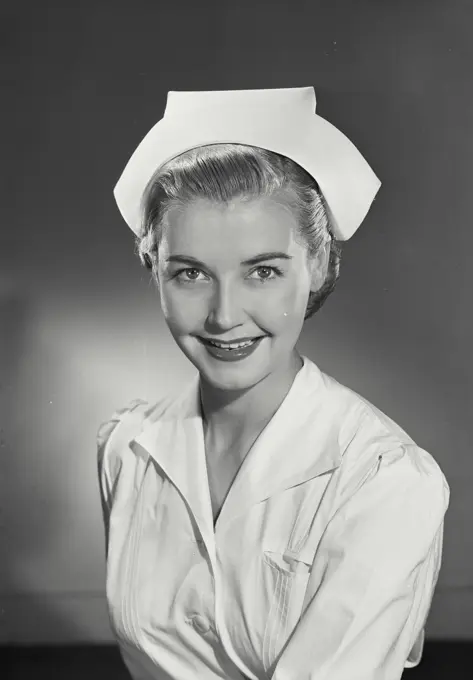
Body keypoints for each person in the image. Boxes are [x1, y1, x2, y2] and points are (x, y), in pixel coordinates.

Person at [97, 87, 450, 680]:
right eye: (190, 273)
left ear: (317, 266)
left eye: (262, 271)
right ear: (153, 271)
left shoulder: (384, 481)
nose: (224, 315)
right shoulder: (126, 448)